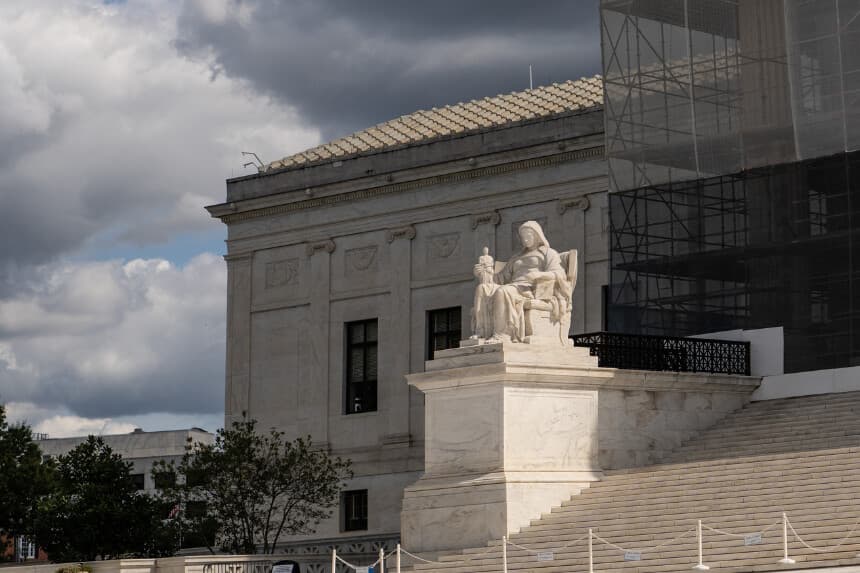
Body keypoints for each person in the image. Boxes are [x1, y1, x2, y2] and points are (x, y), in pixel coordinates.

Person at [472, 220, 572, 342]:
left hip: (531, 289)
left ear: (536, 235)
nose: (525, 240)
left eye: (528, 236)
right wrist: (484, 273)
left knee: (503, 291)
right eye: (523, 237)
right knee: (482, 288)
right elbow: (501, 278)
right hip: (514, 286)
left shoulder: (548, 253)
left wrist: (538, 275)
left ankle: (503, 334)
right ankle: (482, 331)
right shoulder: (517, 257)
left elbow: (559, 274)